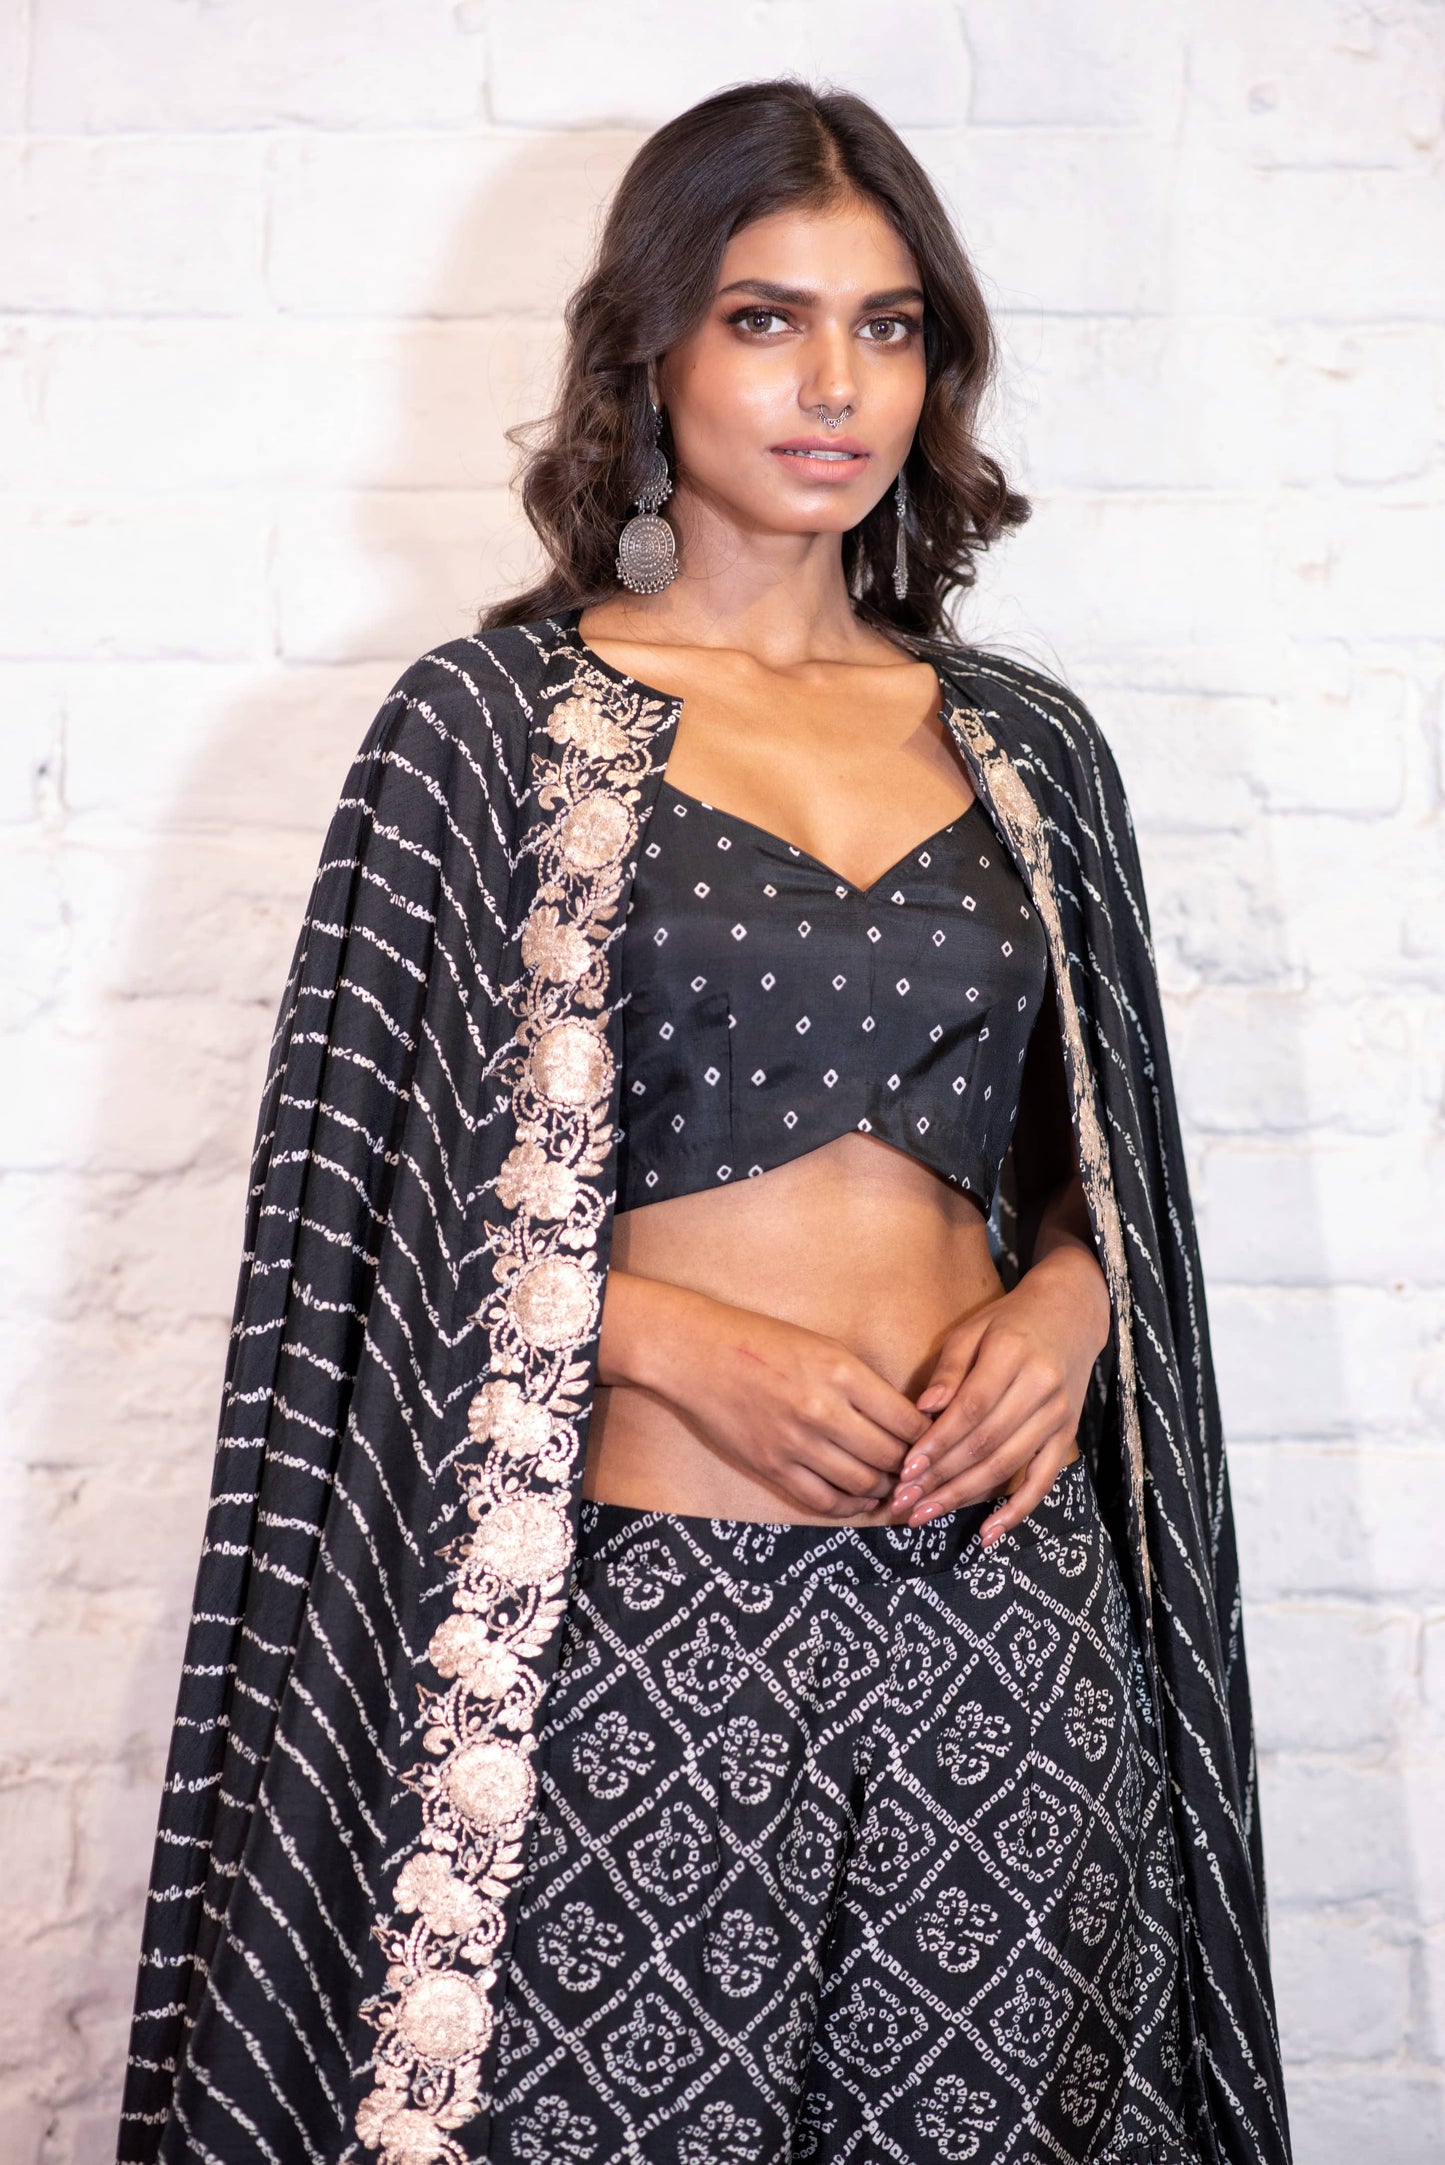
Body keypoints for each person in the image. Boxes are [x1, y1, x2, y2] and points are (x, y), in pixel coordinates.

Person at [117, 79, 1292, 2165]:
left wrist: (1069, 1309)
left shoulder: (1027, 744)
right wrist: (666, 1336)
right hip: (637, 1631)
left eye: (887, 327)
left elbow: (1096, 1170)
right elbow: (359, 1224)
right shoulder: (488, 728)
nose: (835, 384)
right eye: (766, 320)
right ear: (650, 350)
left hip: (1002, 1627)